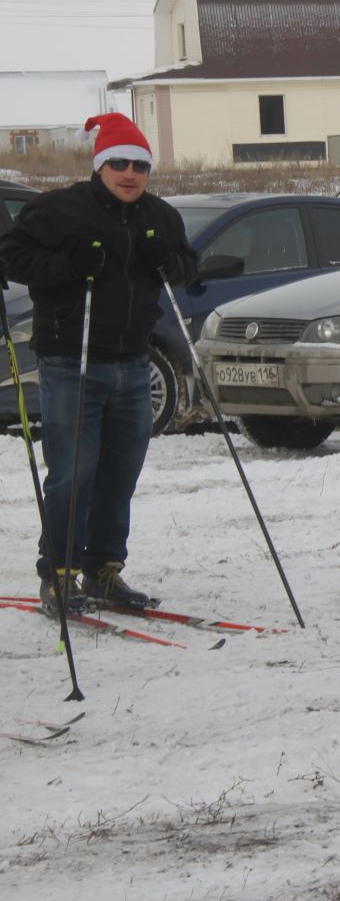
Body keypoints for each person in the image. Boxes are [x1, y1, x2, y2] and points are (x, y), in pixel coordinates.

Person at [0, 113, 195, 615]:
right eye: (118, 164)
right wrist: (68, 268)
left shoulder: (160, 215)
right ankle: (58, 575)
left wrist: (165, 260)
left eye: (139, 166)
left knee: (119, 473)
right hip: (71, 360)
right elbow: (12, 257)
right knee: (73, 473)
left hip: (133, 363)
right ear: (100, 165)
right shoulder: (59, 210)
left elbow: (187, 266)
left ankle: (104, 571)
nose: (129, 174)